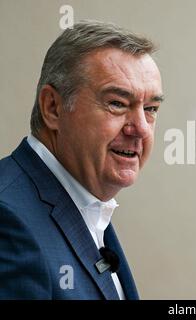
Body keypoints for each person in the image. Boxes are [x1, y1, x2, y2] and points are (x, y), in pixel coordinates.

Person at [0, 20, 164, 299]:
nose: (141, 128)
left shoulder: (89, 205)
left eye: (150, 109)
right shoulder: (8, 219)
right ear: (53, 108)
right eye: (117, 103)